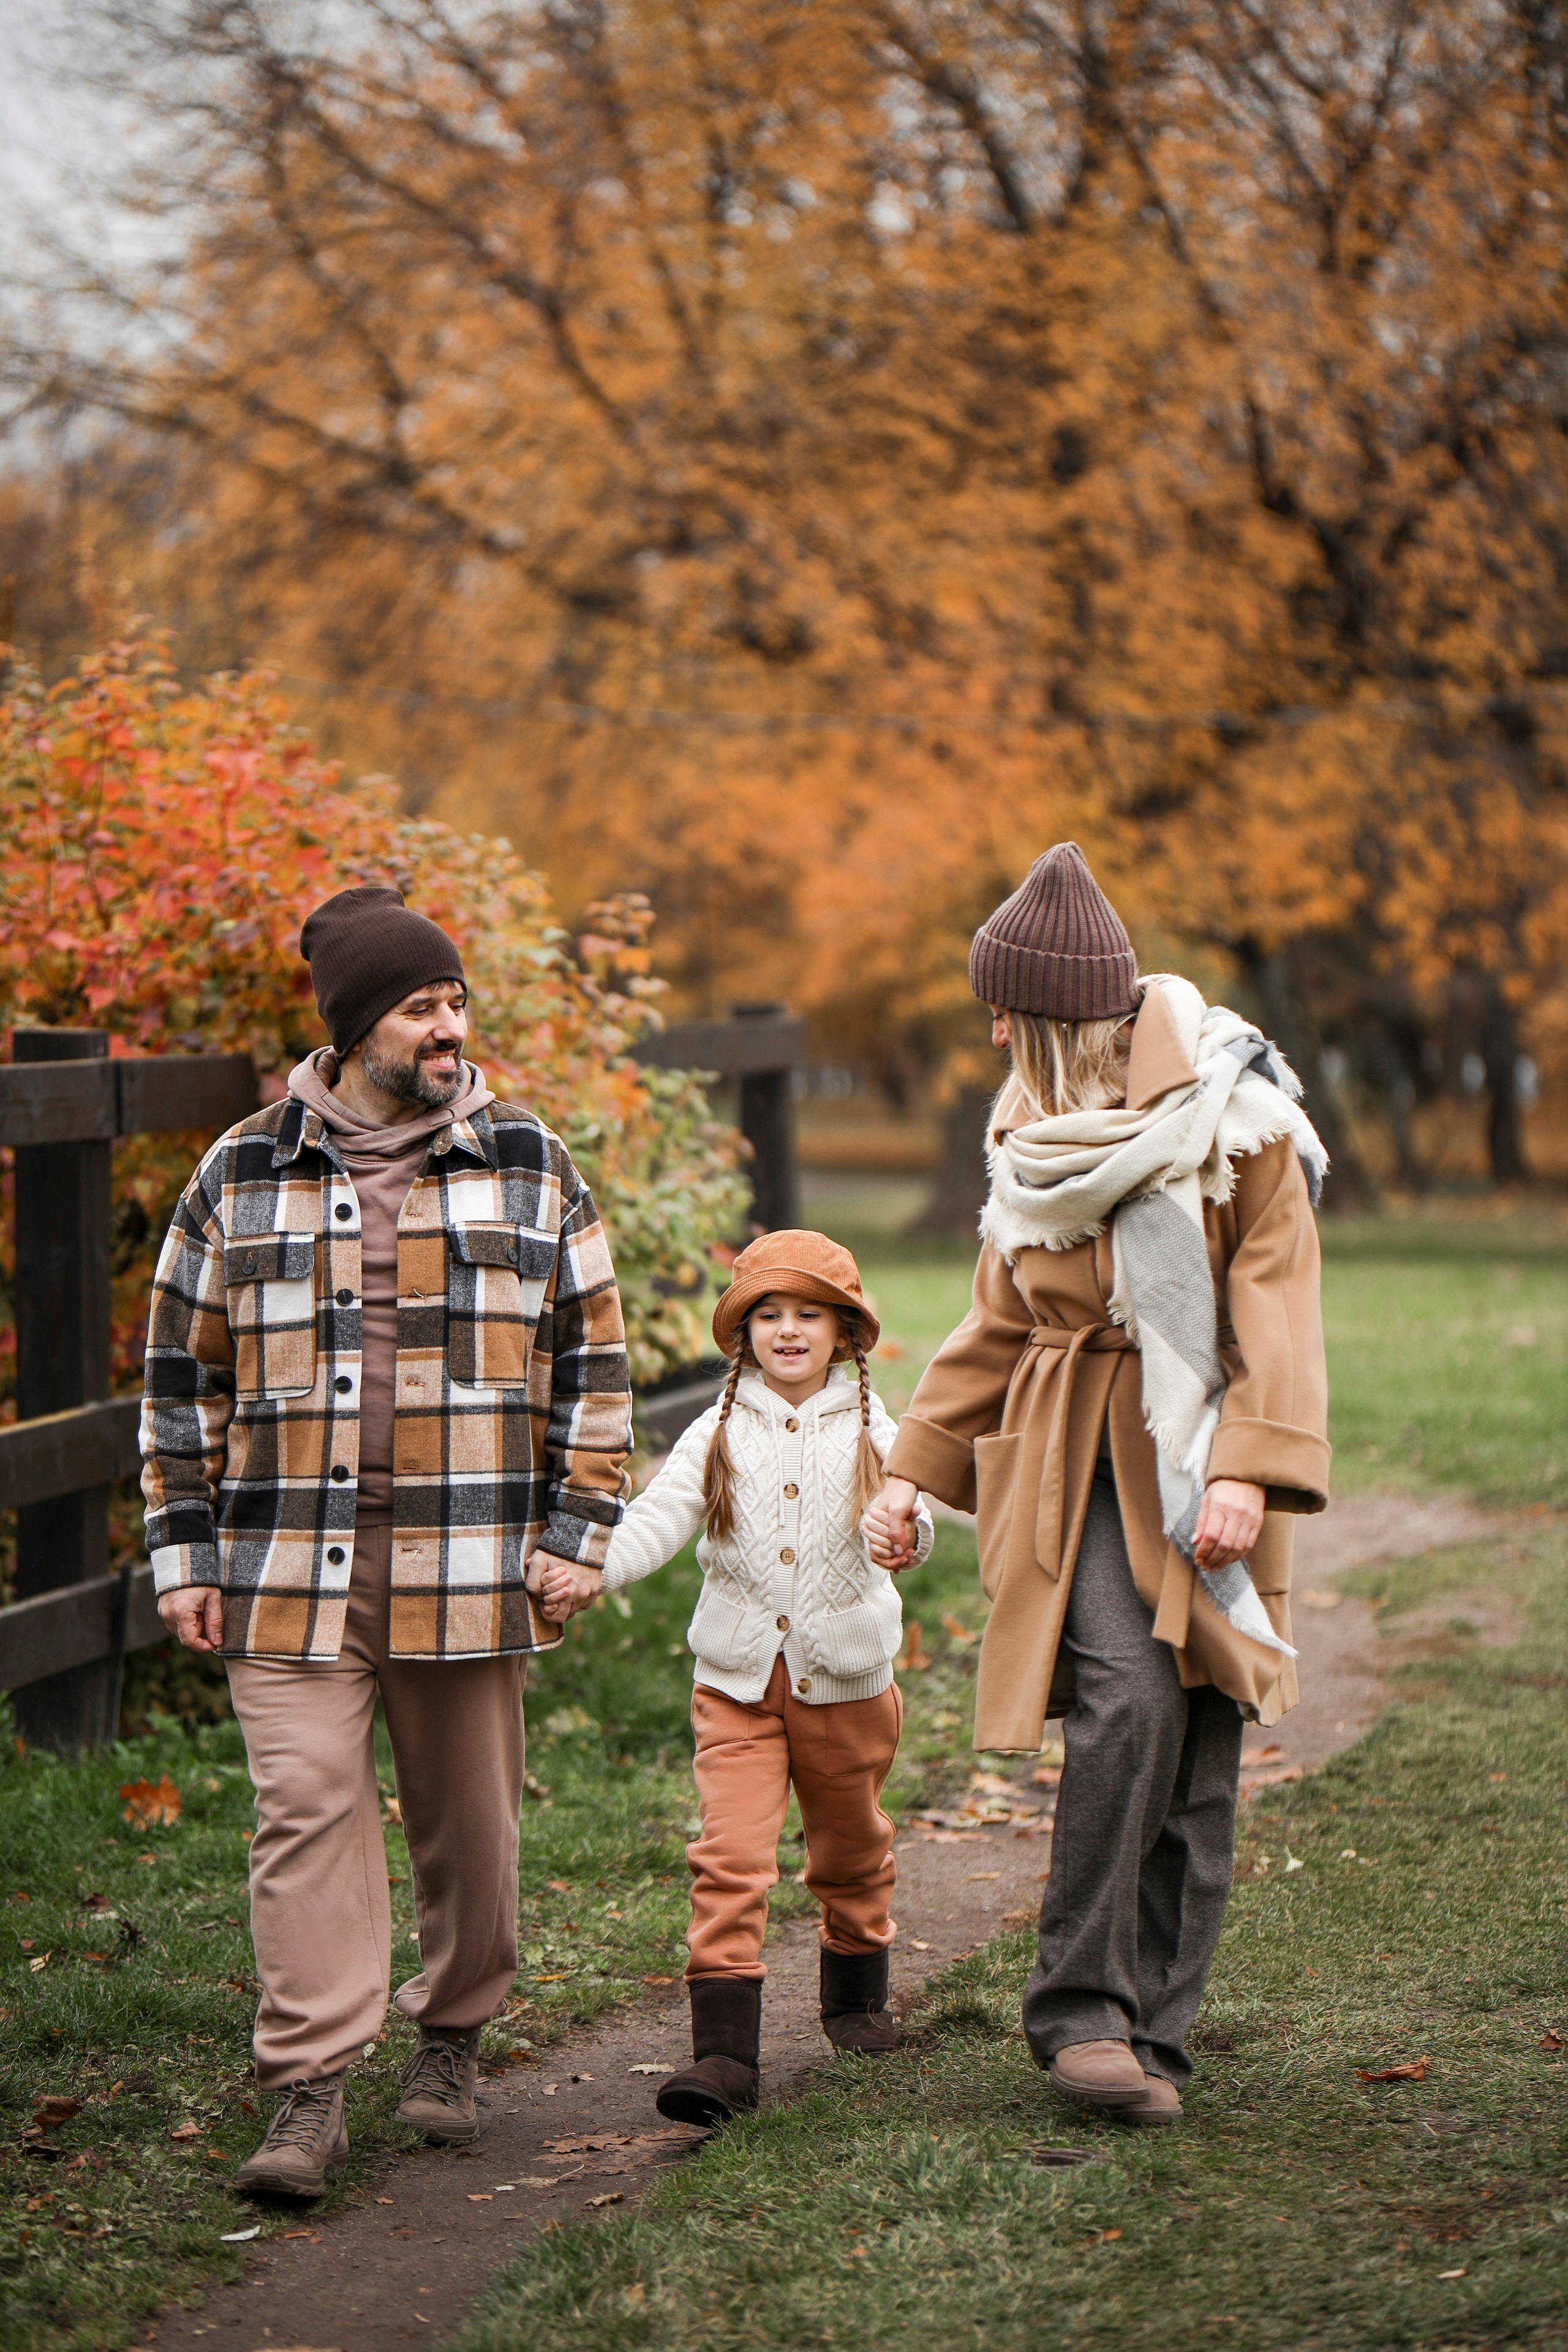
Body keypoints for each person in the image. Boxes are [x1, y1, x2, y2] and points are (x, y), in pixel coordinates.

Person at [140, 884, 631, 2196]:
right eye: (421, 1006)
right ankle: (309, 2090)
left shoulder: (528, 1161)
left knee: (469, 1824)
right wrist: (183, 1555)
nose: (448, 1027)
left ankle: (454, 2034)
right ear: (357, 1027)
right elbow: (177, 1380)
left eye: (456, 1002)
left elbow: (596, 1358)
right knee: (303, 1810)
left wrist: (579, 1530)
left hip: (467, 1560)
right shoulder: (238, 1171)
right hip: (284, 1560)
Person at [865, 844, 1329, 2126]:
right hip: (1075, 1459)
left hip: (1197, 1453)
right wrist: (909, 1475)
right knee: (1126, 1701)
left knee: (1200, 1734)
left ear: (1063, 1011)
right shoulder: (1029, 1130)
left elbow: (1275, 1303)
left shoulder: (1238, 1119)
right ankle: (1078, 2013)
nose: (995, 1028)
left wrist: (1245, 1468)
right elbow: (993, 1320)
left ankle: (1154, 2036)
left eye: (1008, 1007)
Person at [537, 1230, 932, 2125]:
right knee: (730, 1859)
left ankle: (857, 1997)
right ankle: (723, 2057)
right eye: (768, 1314)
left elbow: (918, 1514)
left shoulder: (877, 1429)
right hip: (737, 1686)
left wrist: (903, 1535)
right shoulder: (715, 1429)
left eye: (809, 1315)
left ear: (845, 1334)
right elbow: (660, 1518)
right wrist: (596, 1569)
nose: (788, 1330)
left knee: (850, 1850)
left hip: (849, 1687)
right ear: (743, 1331)